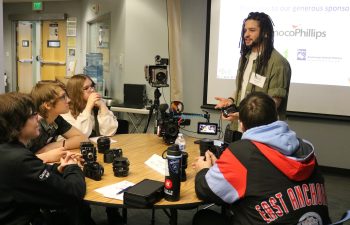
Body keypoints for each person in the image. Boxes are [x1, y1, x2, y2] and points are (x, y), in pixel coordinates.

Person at [193, 92, 331, 225]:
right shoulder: (306, 148)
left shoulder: (241, 153)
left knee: (203, 218)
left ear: (241, 124)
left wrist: (203, 170)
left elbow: (205, 190)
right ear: (276, 117)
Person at [0, 92, 87, 225]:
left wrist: (58, 169)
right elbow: (72, 194)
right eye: (33, 115)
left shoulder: (8, 150)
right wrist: (72, 167)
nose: (39, 118)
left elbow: (31, 173)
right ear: (17, 123)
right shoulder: (19, 159)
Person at [215, 12, 291, 129]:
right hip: (238, 128)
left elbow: (272, 104)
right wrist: (230, 100)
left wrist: (243, 115)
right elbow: (242, 89)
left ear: (265, 33)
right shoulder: (244, 58)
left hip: (262, 134)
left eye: (252, 30)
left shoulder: (278, 63)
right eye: (245, 30)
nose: (246, 34)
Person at [29, 80, 88, 163]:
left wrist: (51, 147)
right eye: (63, 97)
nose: (69, 100)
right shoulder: (32, 126)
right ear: (48, 105)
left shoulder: (56, 119)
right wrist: (47, 156)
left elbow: (83, 138)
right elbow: (15, 161)